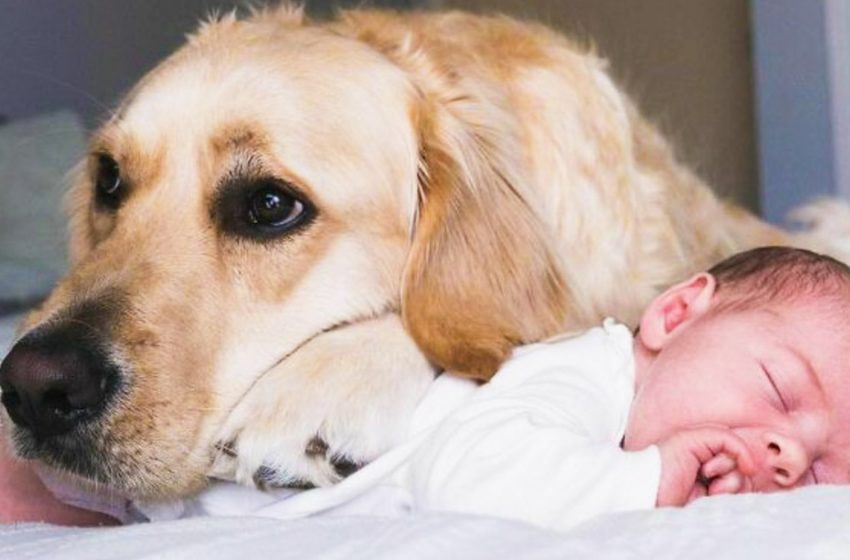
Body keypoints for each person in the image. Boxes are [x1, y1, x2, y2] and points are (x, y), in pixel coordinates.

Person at [4, 246, 850, 529]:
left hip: (219, 492)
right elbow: (482, 482)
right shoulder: (588, 372)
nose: (787, 450)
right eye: (779, 389)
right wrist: (652, 477)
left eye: (823, 466)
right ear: (675, 314)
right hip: (212, 453)